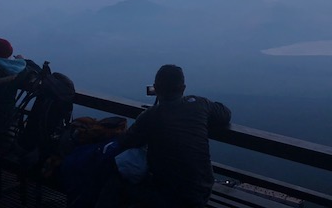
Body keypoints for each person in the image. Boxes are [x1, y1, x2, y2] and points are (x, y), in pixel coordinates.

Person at [96, 64, 232, 208]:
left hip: (168, 197)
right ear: (183, 88)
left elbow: (125, 141)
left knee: (114, 182)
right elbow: (225, 114)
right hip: (201, 191)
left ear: (156, 88)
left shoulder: (150, 116)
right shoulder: (200, 104)